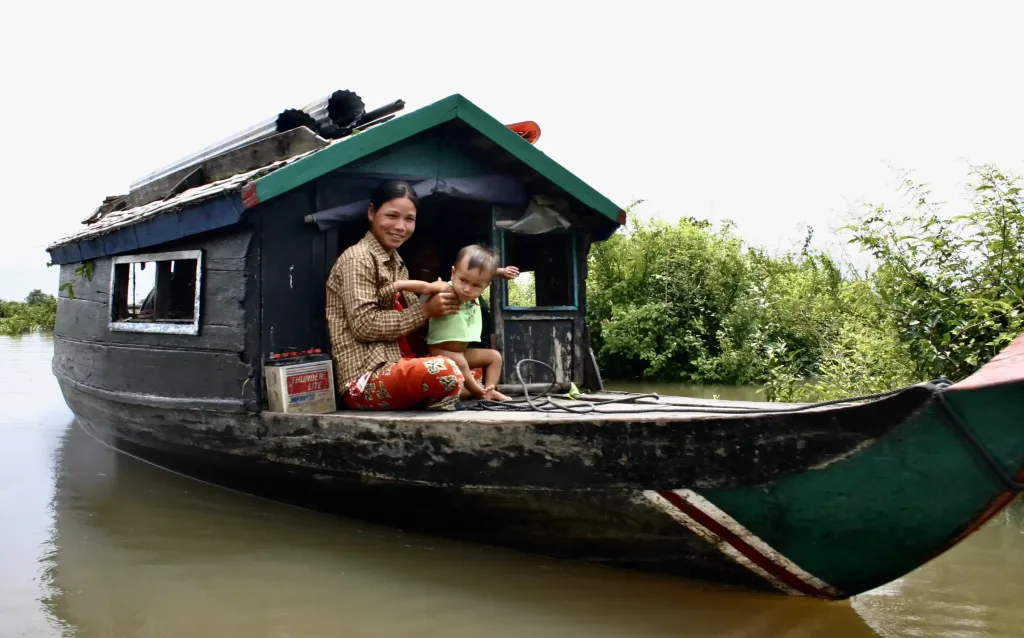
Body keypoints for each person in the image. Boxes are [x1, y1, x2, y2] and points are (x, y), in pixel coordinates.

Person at [325, 180, 466, 411]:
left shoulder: (397, 263)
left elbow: (414, 322)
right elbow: (364, 325)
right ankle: (441, 393)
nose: (400, 226)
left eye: (409, 219)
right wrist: (426, 310)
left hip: (401, 365)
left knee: (472, 370)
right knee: (444, 371)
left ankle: (442, 392)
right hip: (365, 379)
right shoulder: (358, 258)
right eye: (392, 216)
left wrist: (446, 296)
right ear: (372, 213)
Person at [398, 244, 518, 401]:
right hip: (441, 351)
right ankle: (479, 392)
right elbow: (425, 287)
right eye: (463, 281)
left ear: (485, 286)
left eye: (475, 285)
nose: (467, 289)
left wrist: (501, 272)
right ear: (453, 273)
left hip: (461, 352)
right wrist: (399, 284)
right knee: (461, 362)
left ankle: (490, 389)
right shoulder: (447, 289)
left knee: (494, 357)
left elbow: (484, 274)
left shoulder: (474, 289)